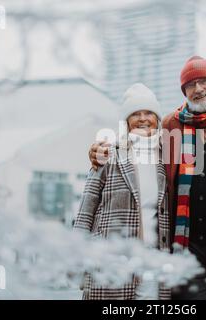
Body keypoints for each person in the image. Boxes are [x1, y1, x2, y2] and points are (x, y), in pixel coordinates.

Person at [89, 56, 206, 299]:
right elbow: (135, 142)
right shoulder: (169, 125)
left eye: (204, 81)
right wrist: (100, 149)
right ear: (184, 91)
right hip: (184, 250)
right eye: (191, 84)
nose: (198, 89)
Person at [73, 83, 171, 300]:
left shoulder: (167, 159)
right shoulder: (108, 154)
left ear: (157, 119)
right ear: (126, 121)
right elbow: (86, 209)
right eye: (136, 113)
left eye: (149, 113)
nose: (143, 118)